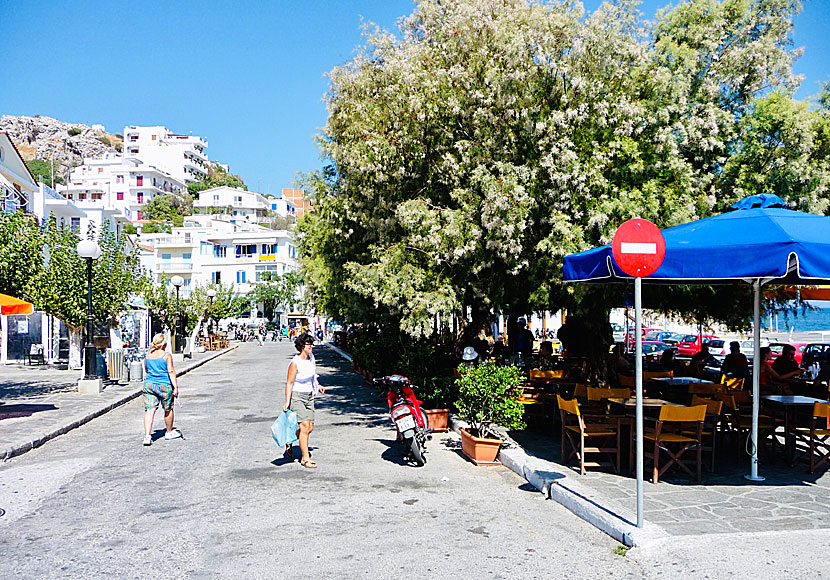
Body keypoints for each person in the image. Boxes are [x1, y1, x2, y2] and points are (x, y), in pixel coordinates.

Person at [283, 333, 325, 468]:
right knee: (305, 427)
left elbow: (313, 375)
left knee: (309, 428)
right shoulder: (295, 363)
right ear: (302, 346)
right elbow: (289, 383)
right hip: (297, 396)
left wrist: (317, 385)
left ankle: (290, 440)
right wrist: (287, 402)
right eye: (309, 344)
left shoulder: (311, 358)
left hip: (309, 395)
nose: (311, 346)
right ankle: (305, 458)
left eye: (312, 344)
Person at [142, 333, 181, 446]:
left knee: (149, 410)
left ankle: (147, 436)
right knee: (168, 408)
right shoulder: (166, 355)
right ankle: (168, 432)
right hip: (164, 385)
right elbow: (171, 371)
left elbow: (146, 369)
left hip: (149, 384)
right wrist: (176, 387)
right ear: (164, 344)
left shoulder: (148, 355)